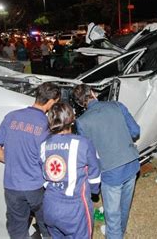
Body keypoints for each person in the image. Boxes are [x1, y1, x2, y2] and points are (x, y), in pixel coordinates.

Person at [0, 82, 60, 239]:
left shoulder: (11, 117)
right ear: (50, 102)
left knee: (17, 229)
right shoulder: (47, 126)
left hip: (12, 186)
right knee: (46, 224)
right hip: (36, 187)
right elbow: (48, 161)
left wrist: (15, 160)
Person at [73, 84, 140, 239]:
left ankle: (115, 234)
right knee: (124, 206)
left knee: (113, 215)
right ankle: (117, 233)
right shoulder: (117, 105)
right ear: (93, 93)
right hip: (131, 164)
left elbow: (87, 152)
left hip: (110, 171)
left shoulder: (82, 122)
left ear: (79, 103)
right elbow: (136, 131)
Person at [40, 102, 101, 239]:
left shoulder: (44, 145)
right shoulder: (83, 143)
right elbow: (95, 174)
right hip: (74, 209)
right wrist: (94, 191)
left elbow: (43, 175)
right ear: (72, 120)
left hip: (49, 206)